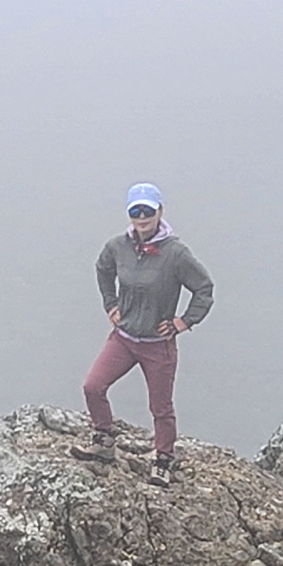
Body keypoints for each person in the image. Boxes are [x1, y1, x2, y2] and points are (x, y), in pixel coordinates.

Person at [71, 182, 215, 487]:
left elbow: (204, 288)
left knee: (160, 407)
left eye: (147, 211)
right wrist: (111, 304)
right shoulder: (118, 247)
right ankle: (104, 440)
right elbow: (103, 269)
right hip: (123, 338)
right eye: (135, 211)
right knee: (93, 386)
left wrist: (183, 322)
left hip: (157, 345)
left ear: (159, 211)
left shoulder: (175, 254)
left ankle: (163, 459)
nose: (141, 217)